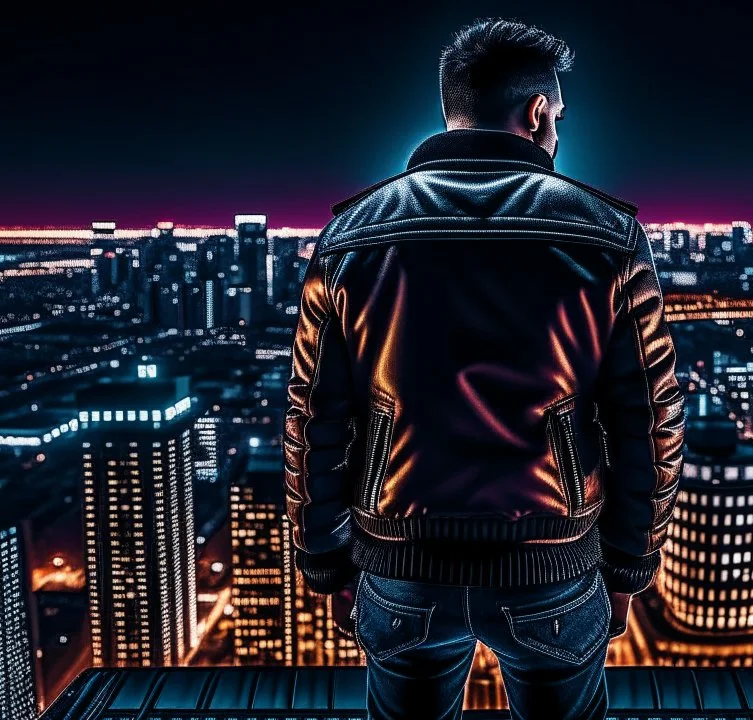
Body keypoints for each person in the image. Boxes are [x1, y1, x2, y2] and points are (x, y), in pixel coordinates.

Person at [284, 17, 685, 720]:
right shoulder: (607, 235)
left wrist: (325, 559)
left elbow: (315, 418)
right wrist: (626, 565)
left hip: (399, 566)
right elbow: (648, 422)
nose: (556, 132)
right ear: (535, 115)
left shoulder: (351, 236)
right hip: (554, 567)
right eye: (556, 117)